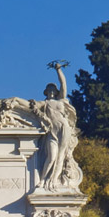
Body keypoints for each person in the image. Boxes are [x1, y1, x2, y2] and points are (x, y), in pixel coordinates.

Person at [35, 61, 83, 192]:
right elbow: (28, 106)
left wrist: (58, 70)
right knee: (51, 157)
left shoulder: (61, 100)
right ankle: (43, 180)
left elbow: (64, 84)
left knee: (60, 155)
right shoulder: (44, 104)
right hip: (52, 131)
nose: (51, 91)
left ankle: (54, 180)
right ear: (46, 92)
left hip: (64, 128)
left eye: (52, 89)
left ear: (55, 92)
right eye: (48, 89)